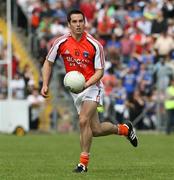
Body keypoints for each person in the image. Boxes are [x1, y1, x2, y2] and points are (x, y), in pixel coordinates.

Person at [41, 9, 138, 173]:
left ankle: (83, 163)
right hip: (76, 90)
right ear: (69, 24)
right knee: (96, 130)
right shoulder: (60, 42)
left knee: (83, 120)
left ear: (85, 23)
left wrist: (86, 84)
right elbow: (48, 63)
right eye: (74, 22)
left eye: (81, 21)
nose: (78, 25)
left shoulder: (95, 44)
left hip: (92, 86)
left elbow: (100, 71)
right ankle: (124, 129)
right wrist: (45, 84)